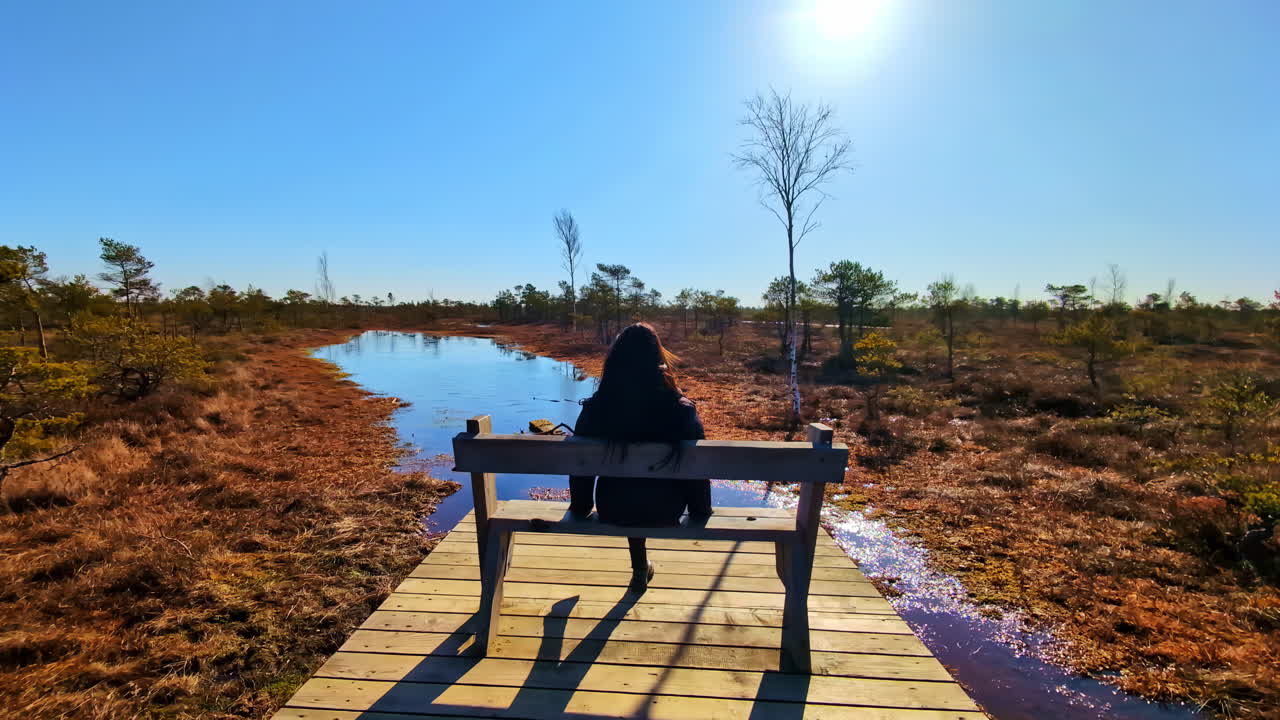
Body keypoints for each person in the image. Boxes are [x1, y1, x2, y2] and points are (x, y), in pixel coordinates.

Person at [568, 323, 712, 591]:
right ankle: (640, 569)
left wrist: (580, 508)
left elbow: (581, 466)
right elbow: (697, 467)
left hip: (613, 508)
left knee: (629, 491)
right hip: (668, 510)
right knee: (646, 492)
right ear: (659, 359)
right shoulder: (680, 409)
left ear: (614, 362)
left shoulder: (597, 408)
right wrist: (700, 511)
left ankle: (639, 569)